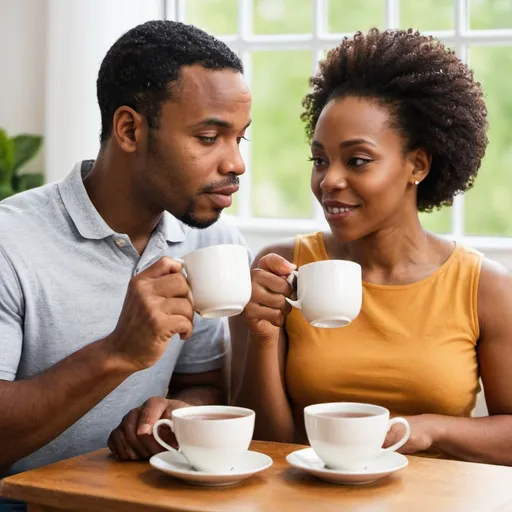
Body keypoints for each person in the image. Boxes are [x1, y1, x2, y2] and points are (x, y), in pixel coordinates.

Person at [237, 28, 512, 466]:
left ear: (416, 165)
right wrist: (262, 336)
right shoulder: (283, 269)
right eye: (320, 160)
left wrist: (429, 428)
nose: (329, 181)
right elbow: (263, 445)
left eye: (357, 160)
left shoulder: (484, 287)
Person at [0, 18, 251, 488]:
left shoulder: (209, 241)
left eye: (241, 137)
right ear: (130, 130)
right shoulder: (9, 243)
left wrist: (178, 414)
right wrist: (119, 352)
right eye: (209, 137)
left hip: (146, 498)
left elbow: (203, 383)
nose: (236, 162)